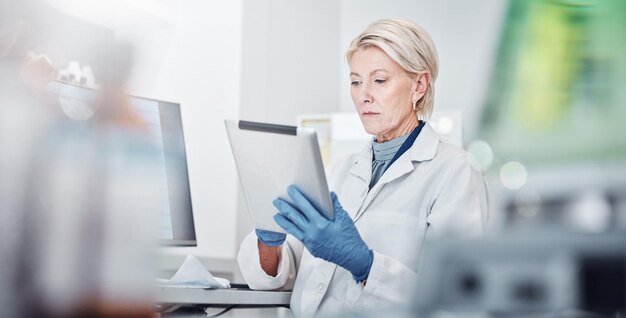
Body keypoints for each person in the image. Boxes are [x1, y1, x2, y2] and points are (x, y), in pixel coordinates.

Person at [238, 18, 489, 318]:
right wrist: (270, 240)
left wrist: (365, 264)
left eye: (379, 80)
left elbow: (458, 300)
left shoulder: (455, 173)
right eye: (356, 81)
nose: (364, 95)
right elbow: (277, 274)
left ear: (419, 86)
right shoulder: (337, 171)